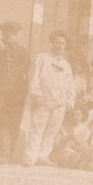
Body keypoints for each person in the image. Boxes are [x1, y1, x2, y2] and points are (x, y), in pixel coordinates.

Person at [21, 30, 76, 165]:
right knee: (37, 128)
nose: (59, 46)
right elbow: (34, 77)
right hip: (44, 100)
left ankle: (43, 156)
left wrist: (69, 101)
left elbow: (70, 85)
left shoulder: (66, 65)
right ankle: (30, 156)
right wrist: (36, 94)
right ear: (52, 43)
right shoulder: (42, 58)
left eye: (62, 44)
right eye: (57, 43)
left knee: (52, 130)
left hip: (59, 103)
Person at [0, 21, 29, 162]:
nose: (10, 36)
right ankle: (3, 154)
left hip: (17, 92)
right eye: (7, 32)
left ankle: (13, 154)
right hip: (1, 89)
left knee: (15, 121)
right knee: (2, 120)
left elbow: (26, 69)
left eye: (13, 33)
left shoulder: (22, 50)